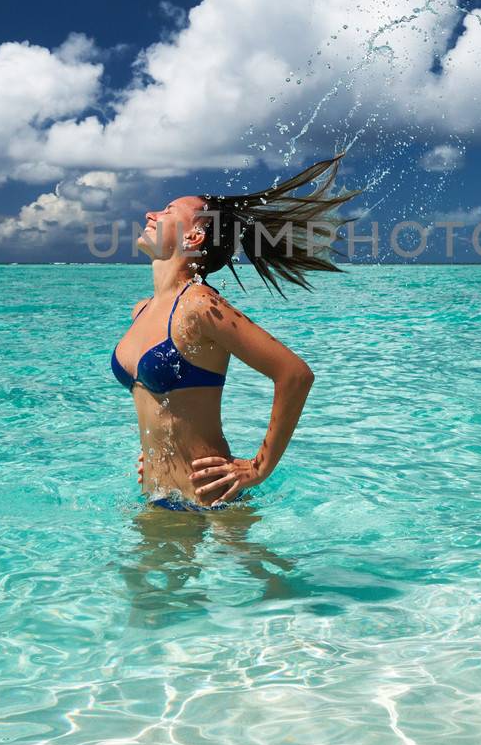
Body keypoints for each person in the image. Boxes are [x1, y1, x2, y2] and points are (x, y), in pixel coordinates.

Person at [111, 153, 359, 511]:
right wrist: (157, 450)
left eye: (167, 211)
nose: (151, 214)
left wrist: (259, 468)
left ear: (194, 235)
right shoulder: (142, 310)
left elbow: (294, 374)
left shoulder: (198, 305)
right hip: (157, 499)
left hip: (212, 504)